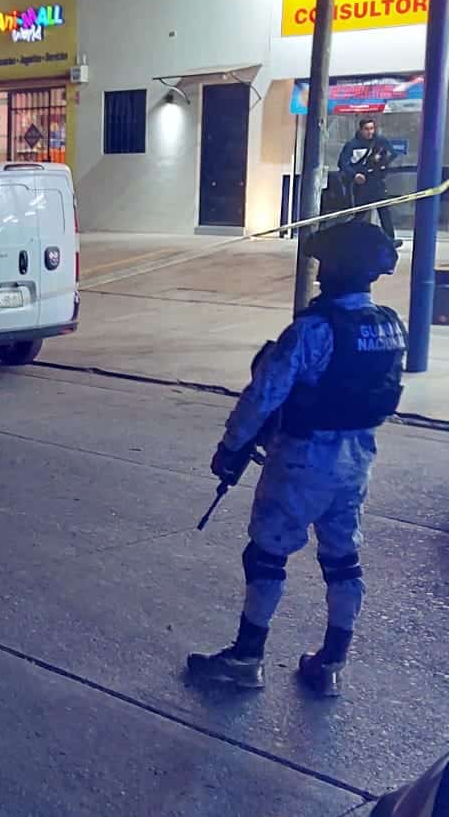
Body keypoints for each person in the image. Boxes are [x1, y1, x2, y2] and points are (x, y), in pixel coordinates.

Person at [188, 219, 405, 697]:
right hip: (357, 459)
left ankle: (246, 659)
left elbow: (264, 394)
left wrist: (231, 447)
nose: (320, 273)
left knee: (266, 555)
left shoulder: (312, 330)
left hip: (302, 459)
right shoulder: (390, 324)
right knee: (343, 559)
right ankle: (330, 662)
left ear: (336, 269)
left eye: (325, 264)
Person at [337, 118, 401, 247]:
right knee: (360, 212)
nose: (369, 132)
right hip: (361, 183)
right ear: (360, 130)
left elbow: (392, 154)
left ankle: (390, 239)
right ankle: (346, 237)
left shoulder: (380, 141)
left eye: (371, 128)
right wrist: (354, 175)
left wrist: (381, 164)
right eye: (366, 129)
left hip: (376, 181)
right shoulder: (352, 145)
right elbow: (343, 163)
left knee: (384, 210)